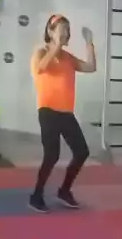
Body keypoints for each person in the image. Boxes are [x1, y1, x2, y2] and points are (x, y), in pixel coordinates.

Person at [29, 14, 96, 213]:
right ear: (50, 31)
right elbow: (40, 68)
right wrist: (56, 45)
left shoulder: (68, 58)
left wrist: (89, 43)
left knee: (82, 152)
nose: (67, 33)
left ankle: (64, 191)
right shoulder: (40, 53)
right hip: (47, 110)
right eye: (63, 29)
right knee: (52, 155)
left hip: (66, 113)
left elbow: (91, 67)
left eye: (68, 29)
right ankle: (36, 196)